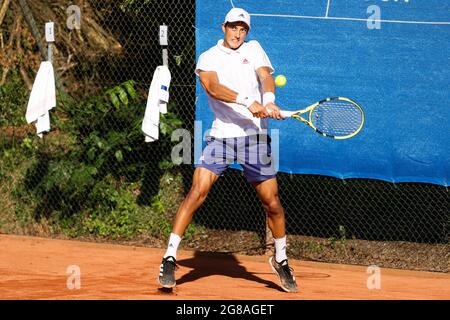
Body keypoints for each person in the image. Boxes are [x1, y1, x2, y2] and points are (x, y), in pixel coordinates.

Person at [157, 7, 298, 293]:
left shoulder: (254, 48)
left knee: (271, 202)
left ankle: (281, 259)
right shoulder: (209, 57)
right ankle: (170, 257)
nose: (238, 33)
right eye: (233, 27)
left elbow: (265, 76)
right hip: (222, 136)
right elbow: (212, 87)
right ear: (223, 27)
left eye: (243, 29)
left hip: (255, 139)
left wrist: (269, 100)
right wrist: (248, 101)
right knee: (197, 191)